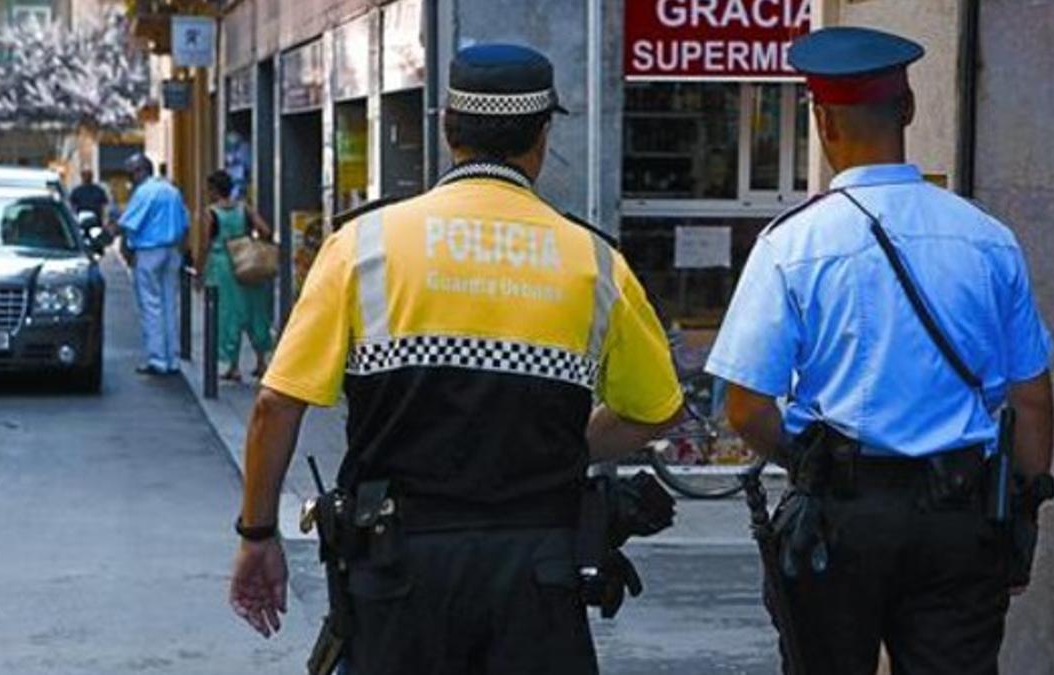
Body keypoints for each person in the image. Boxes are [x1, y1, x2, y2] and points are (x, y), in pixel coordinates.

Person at [228, 43, 685, 673]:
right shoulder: (595, 262)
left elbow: (276, 403)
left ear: (447, 128)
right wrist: (563, 446)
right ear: (543, 134)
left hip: (395, 573)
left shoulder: (362, 246)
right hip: (538, 576)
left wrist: (257, 535)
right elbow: (655, 411)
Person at [705, 27, 1054, 674]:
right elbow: (1032, 398)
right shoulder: (988, 239)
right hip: (961, 515)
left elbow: (746, 409)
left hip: (840, 518)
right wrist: (1022, 516)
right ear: (909, 109)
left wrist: (805, 462)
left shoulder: (793, 243)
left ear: (821, 120)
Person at [196, 170, 274, 382]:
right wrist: (247, 239)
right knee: (256, 313)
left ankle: (232, 366)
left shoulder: (210, 212)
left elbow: (204, 244)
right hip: (247, 264)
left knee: (227, 315)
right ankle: (262, 362)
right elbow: (265, 231)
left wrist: (199, 272)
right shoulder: (244, 207)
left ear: (213, 190)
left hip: (222, 267)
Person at [118, 153, 189, 376]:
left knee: (151, 305)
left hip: (149, 251)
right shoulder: (172, 190)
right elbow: (185, 224)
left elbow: (129, 224)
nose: (129, 178)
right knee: (169, 305)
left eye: (131, 173)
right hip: (172, 251)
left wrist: (125, 247)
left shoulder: (144, 192)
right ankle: (173, 358)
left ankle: (158, 359)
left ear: (141, 170)